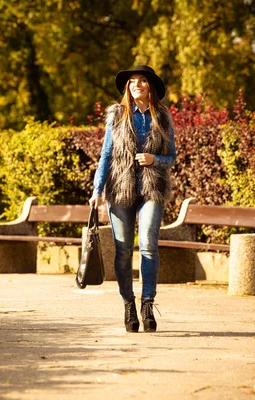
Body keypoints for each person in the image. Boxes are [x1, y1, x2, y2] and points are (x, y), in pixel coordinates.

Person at [89, 65, 176, 333]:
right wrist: (97, 190)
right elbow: (106, 154)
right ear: (128, 88)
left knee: (149, 245)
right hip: (120, 188)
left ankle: (147, 303)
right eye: (132, 81)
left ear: (150, 86)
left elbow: (171, 157)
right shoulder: (117, 115)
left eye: (141, 81)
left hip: (152, 188)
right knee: (124, 250)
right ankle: (128, 304)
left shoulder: (162, 116)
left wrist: (154, 160)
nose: (136, 84)